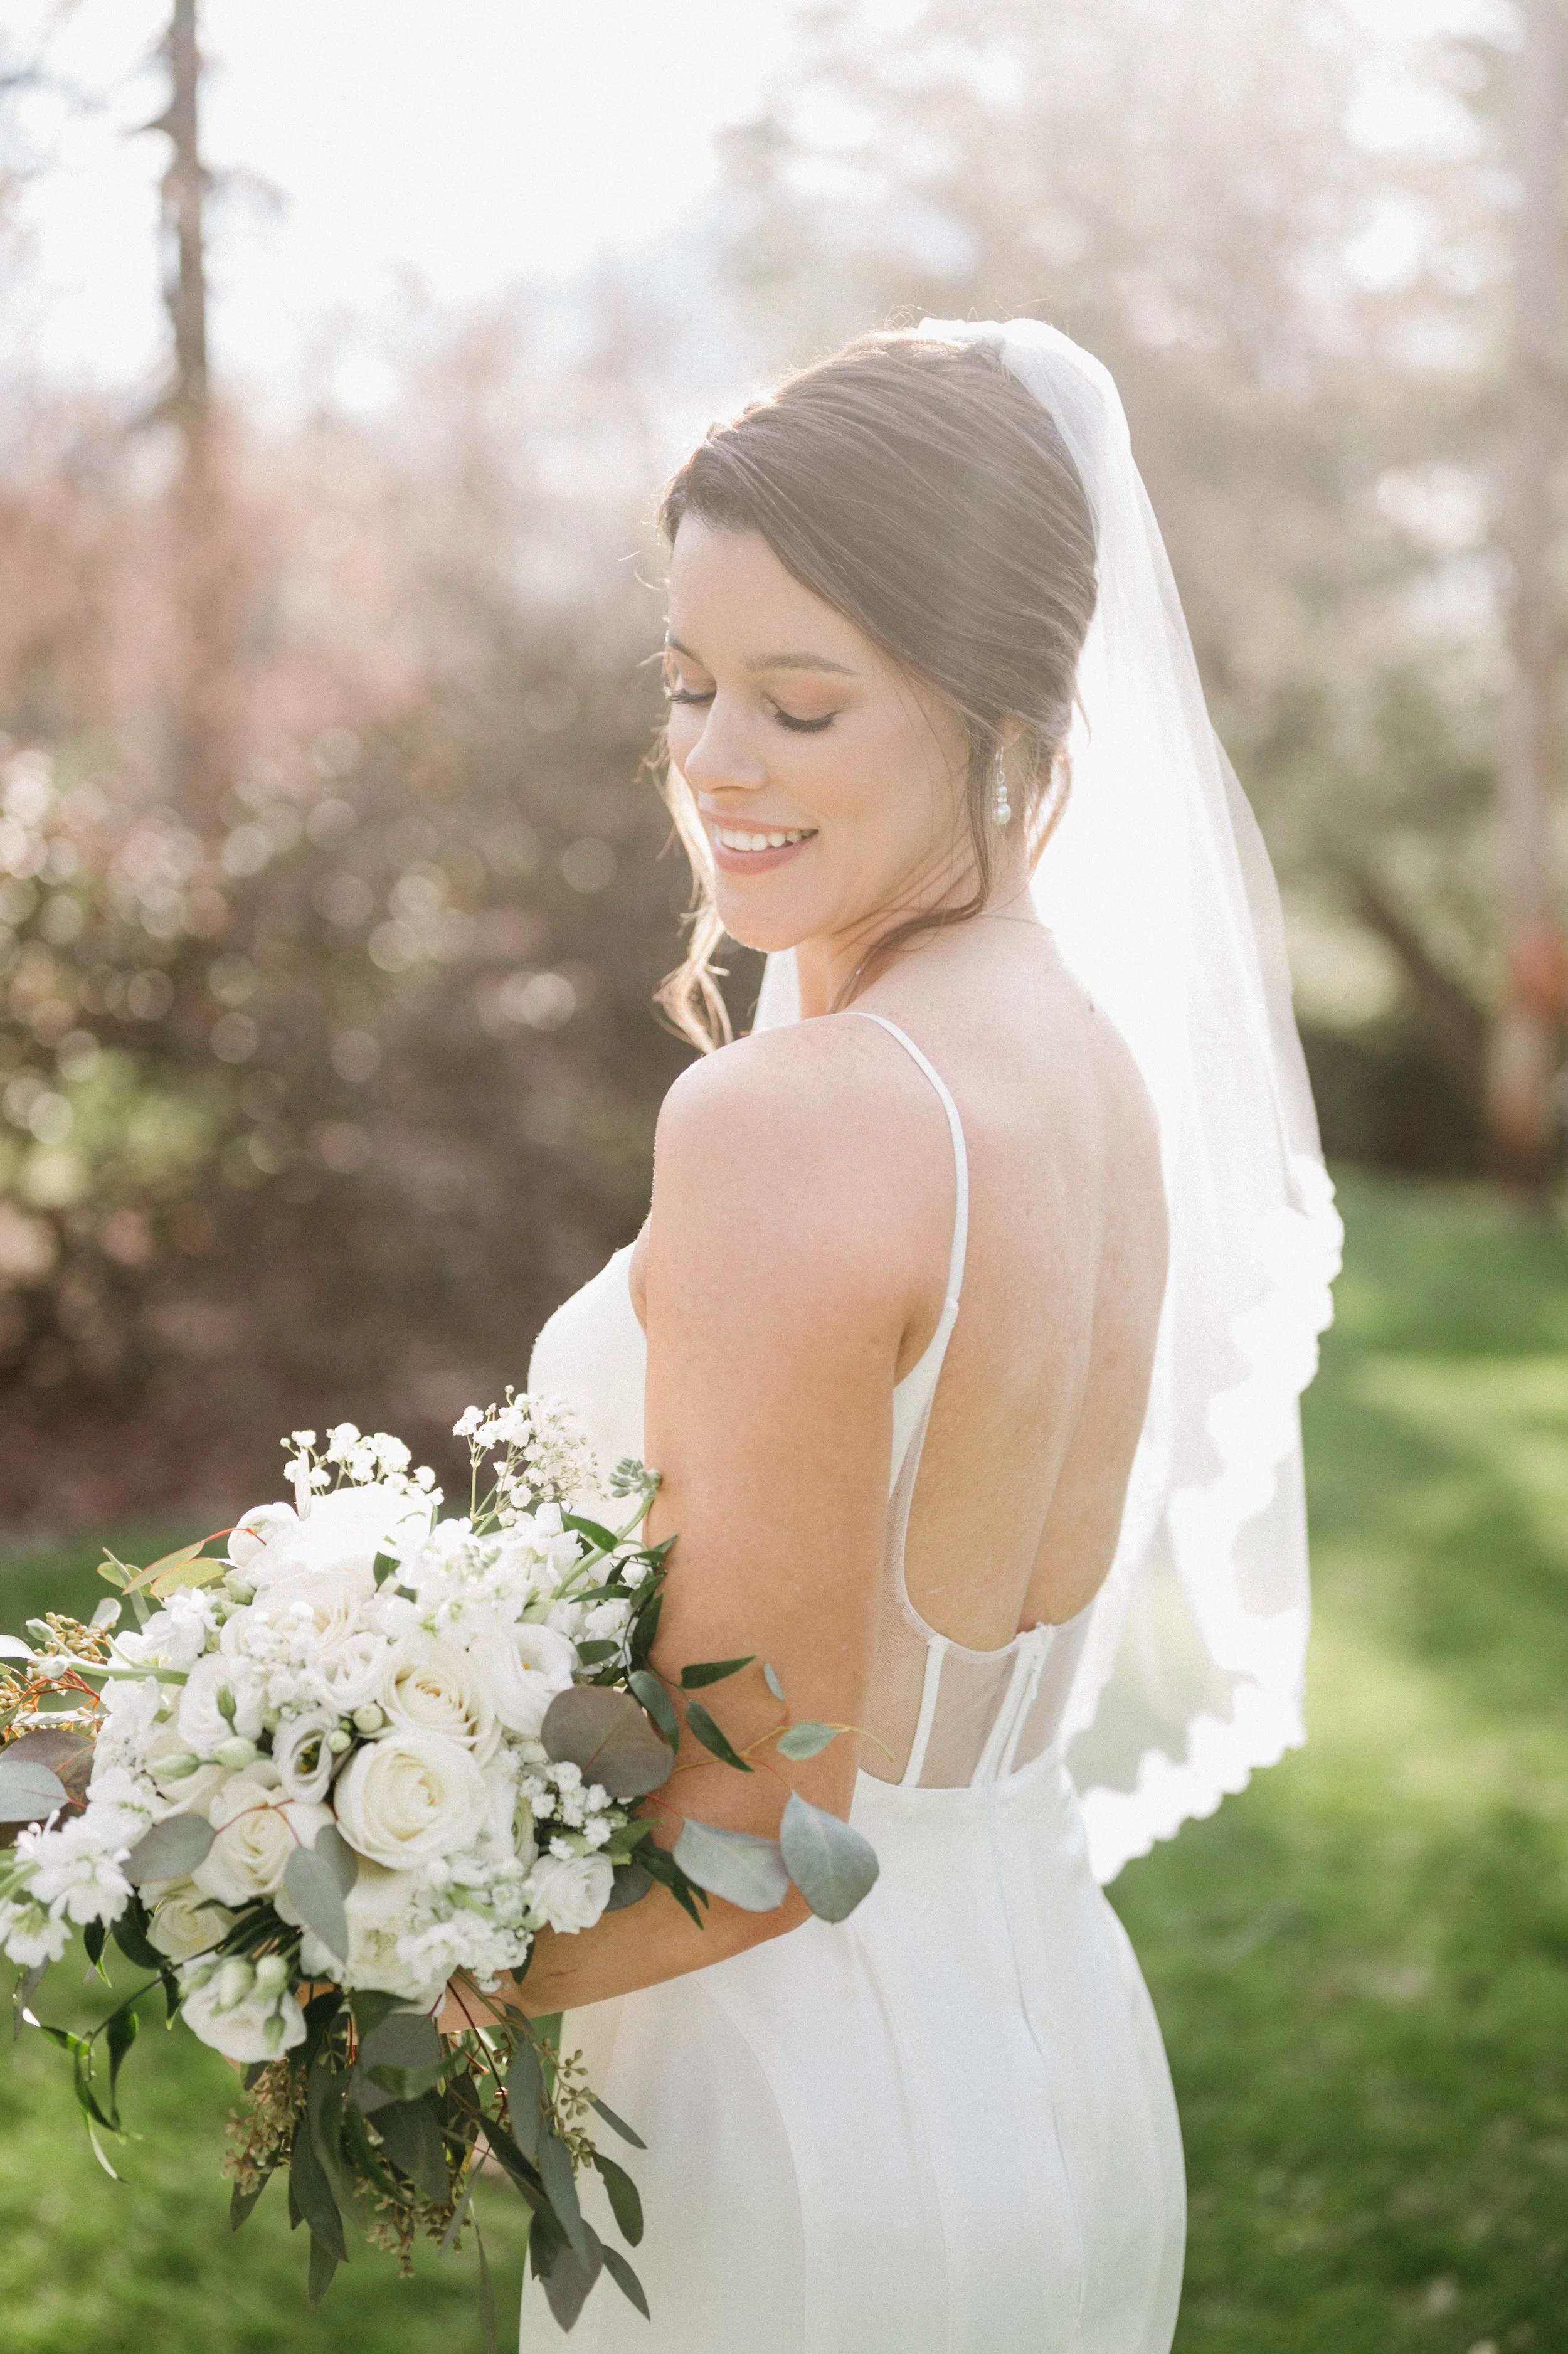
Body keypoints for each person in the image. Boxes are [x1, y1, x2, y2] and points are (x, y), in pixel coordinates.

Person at [512, 319, 1342, 2351]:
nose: (715, 763)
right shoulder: (1084, 1067)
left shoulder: (796, 1117)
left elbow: (760, 1842)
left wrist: (324, 1927)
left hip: (781, 2130)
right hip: (1045, 2045)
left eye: (801, 703)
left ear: (1002, 711)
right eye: (693, 685)